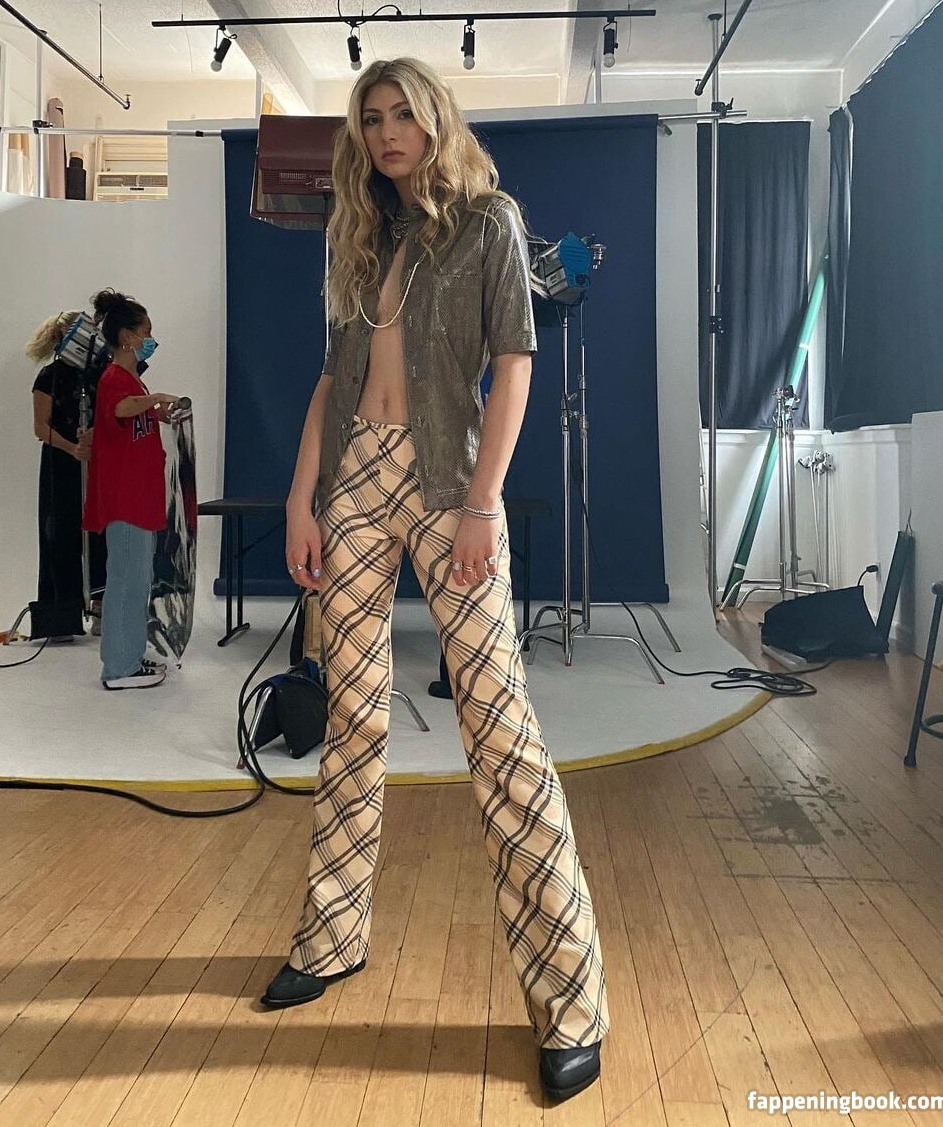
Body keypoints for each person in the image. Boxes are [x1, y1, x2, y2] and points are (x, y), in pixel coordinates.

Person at [259, 58, 609, 1103]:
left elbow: (515, 367)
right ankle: (331, 937)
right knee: (353, 717)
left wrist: (482, 504)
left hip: (448, 481)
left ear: (435, 119)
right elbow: (333, 377)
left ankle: (571, 1002)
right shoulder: (361, 237)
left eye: (403, 113)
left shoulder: (490, 222)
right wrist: (301, 499)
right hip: (353, 480)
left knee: (498, 728)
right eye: (371, 117)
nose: (386, 131)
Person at [82, 288, 179, 690]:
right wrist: (155, 399)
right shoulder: (115, 378)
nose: (150, 340)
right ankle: (119, 668)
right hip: (125, 500)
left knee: (137, 581)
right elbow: (119, 409)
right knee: (126, 581)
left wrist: (156, 413)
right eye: (146, 332)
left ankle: (129, 655)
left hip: (139, 498)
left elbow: (131, 419)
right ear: (127, 336)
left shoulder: (133, 382)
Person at [27, 311, 105, 640]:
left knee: (101, 534)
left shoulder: (97, 375)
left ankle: (101, 607)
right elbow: (40, 427)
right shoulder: (50, 376)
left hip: (98, 463)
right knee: (61, 535)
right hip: (61, 464)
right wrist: (72, 447)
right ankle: (62, 614)